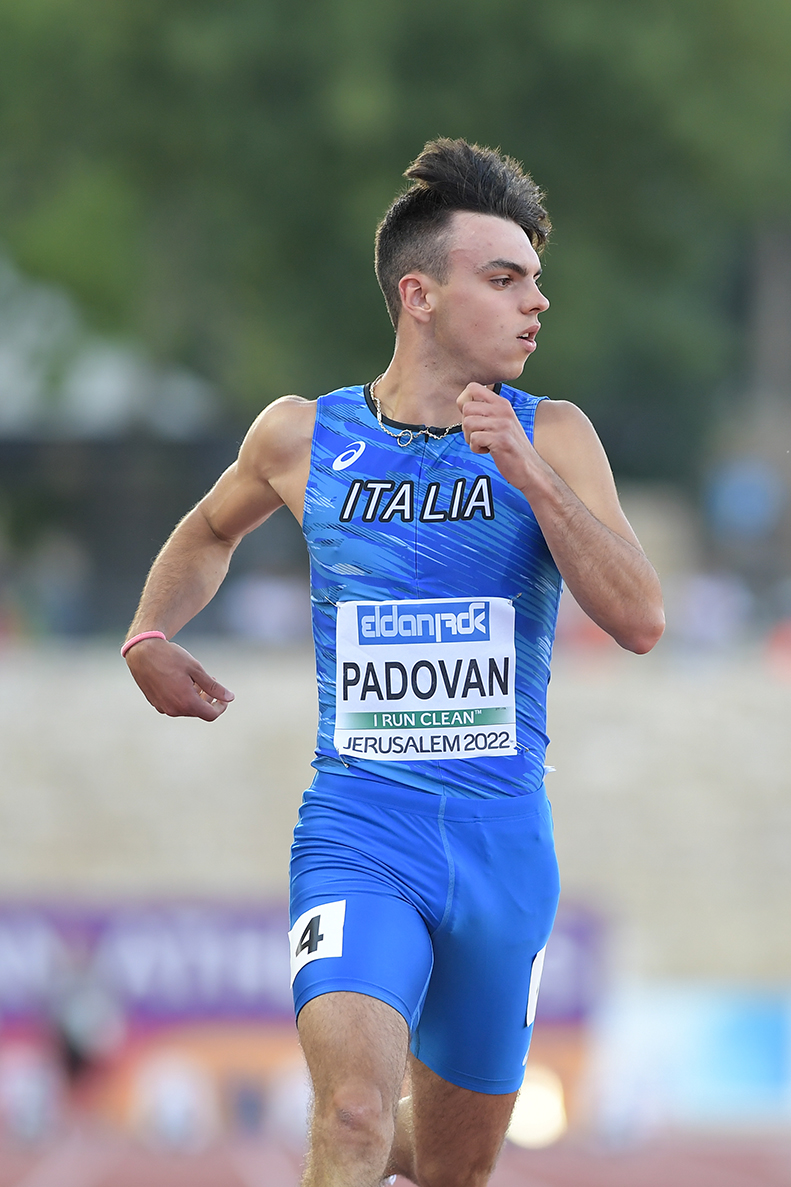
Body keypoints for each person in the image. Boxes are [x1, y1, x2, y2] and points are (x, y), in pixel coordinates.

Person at [123, 138, 664, 1187]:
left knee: (453, 1165)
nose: (536, 302)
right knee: (356, 1113)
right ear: (419, 295)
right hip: (360, 829)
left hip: (502, 845)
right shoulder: (301, 435)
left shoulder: (552, 435)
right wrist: (149, 633)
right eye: (503, 278)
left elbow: (639, 618)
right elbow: (208, 531)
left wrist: (528, 476)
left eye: (534, 280)